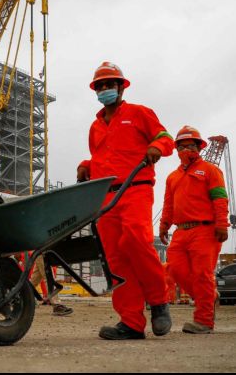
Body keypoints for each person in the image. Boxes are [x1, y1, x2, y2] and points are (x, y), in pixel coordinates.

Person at [77, 62, 174, 340]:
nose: (105, 89)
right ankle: (131, 322)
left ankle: (158, 300)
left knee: (136, 239)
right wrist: (86, 164)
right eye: (101, 86)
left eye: (110, 84)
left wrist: (156, 147)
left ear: (121, 86)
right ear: (96, 91)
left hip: (136, 188)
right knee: (115, 258)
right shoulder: (95, 127)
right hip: (105, 196)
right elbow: (101, 158)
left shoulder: (139, 113)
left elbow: (164, 137)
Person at [159, 126, 229, 334]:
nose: (185, 150)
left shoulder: (210, 170)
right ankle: (207, 296)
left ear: (199, 147)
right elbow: (168, 204)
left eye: (190, 145)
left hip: (205, 231)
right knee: (175, 270)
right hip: (181, 232)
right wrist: (164, 225)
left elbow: (219, 198)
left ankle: (204, 321)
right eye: (181, 146)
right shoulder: (172, 177)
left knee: (202, 274)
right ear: (176, 149)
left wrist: (222, 224)